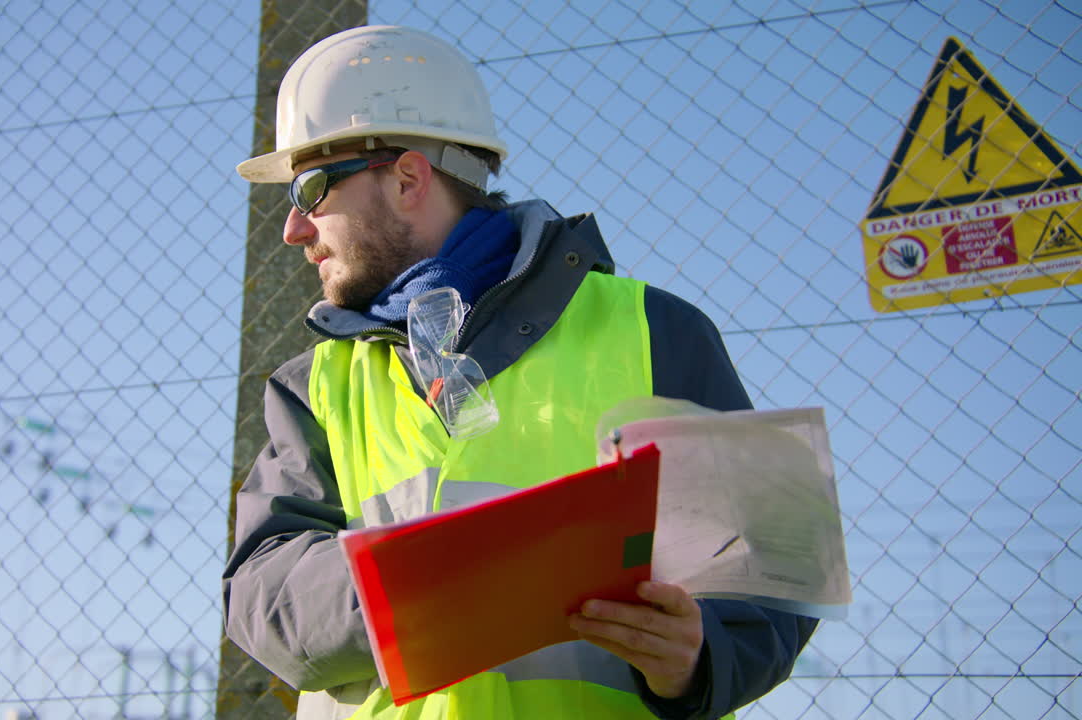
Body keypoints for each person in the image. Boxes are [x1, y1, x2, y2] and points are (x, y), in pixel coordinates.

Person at [223, 24, 816, 720]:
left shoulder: (660, 333)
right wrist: (428, 585)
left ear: (410, 177)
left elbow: (774, 565)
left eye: (312, 191)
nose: (294, 230)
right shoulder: (313, 386)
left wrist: (701, 654)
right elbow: (261, 592)